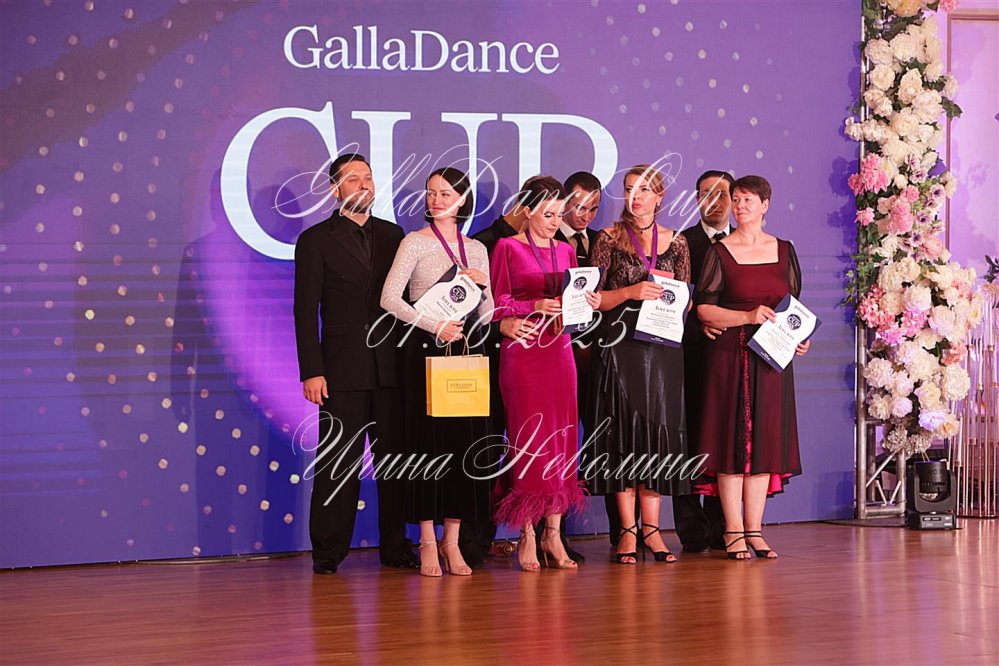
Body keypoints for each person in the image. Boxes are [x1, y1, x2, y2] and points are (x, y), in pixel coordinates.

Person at [293, 153, 417, 574]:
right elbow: (304, 310)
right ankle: (328, 552)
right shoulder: (315, 240)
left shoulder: (394, 235)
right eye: (353, 179)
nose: (363, 185)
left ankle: (396, 547)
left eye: (368, 177)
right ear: (334, 189)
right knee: (337, 463)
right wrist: (312, 369)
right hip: (341, 369)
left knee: (395, 463)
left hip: (391, 365)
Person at [380, 167, 495, 577]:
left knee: (463, 448)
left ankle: (452, 541)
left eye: (445, 193)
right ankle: (427, 541)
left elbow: (489, 314)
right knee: (426, 447)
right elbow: (389, 298)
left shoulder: (477, 249)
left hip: (465, 353)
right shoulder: (414, 242)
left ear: (462, 199)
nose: (436, 200)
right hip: (424, 352)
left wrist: (483, 286)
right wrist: (434, 325)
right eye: (431, 193)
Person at [693, 175, 811, 560]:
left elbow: (794, 308)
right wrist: (746, 316)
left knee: (764, 443)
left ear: (765, 205)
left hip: (772, 360)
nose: (741, 206)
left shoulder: (784, 250)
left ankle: (754, 530)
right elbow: (704, 309)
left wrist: (800, 338)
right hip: (730, 357)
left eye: (748, 200)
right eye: (737, 199)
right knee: (729, 444)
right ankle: (733, 531)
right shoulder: (720, 251)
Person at [490, 176, 601, 572]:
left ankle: (553, 532)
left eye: (559, 214)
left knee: (562, 438)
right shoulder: (507, 247)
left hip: (559, 351)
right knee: (527, 440)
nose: (556, 222)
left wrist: (587, 303)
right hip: (523, 352)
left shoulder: (567, 250)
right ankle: (526, 533)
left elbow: (575, 304)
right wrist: (533, 304)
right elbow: (496, 304)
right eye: (548, 214)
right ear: (528, 210)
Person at [586, 164, 692, 564]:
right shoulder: (608, 238)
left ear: (659, 196)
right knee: (623, 437)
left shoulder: (678, 242)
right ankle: (627, 531)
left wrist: (670, 303)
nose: (636, 197)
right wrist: (631, 291)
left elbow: (686, 299)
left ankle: (653, 529)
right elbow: (594, 299)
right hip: (619, 348)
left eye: (645, 190)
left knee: (656, 437)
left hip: (662, 350)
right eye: (630, 189)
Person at [674, 170, 736, 552]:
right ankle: (690, 527)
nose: (714, 201)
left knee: (724, 440)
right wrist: (701, 326)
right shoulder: (682, 242)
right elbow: (671, 302)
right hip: (689, 357)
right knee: (687, 438)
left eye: (722, 193)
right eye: (705, 194)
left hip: (733, 359)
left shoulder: (746, 243)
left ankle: (723, 524)